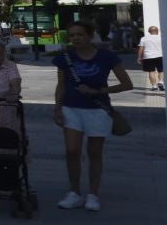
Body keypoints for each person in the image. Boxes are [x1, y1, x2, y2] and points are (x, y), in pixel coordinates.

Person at [51, 21, 134, 212]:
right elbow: (61, 84)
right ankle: (74, 192)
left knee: (94, 152)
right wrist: (57, 108)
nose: (76, 39)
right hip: (71, 107)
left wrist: (99, 91)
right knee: (72, 150)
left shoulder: (106, 57)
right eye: (72, 35)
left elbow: (127, 84)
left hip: (98, 109)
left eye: (80, 34)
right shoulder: (65, 57)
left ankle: (93, 194)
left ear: (90, 36)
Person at [138, 24, 164, 92]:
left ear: (149, 31)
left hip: (148, 57)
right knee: (161, 70)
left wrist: (139, 57)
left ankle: (154, 86)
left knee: (151, 71)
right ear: (157, 31)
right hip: (160, 55)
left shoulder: (144, 38)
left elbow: (141, 49)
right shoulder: (162, 38)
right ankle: (161, 82)